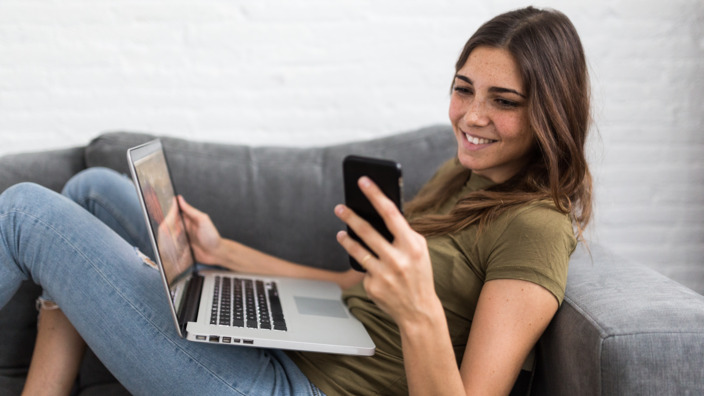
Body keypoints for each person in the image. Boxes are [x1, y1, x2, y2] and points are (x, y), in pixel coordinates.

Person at [0, 6, 592, 396]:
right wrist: (222, 250)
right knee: (91, 190)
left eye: (504, 101)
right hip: (299, 352)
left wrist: (420, 311)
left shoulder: (535, 228)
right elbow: (351, 287)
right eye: (463, 89)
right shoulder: (463, 177)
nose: (473, 117)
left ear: (551, 114)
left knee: (24, 209)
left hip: (291, 390)